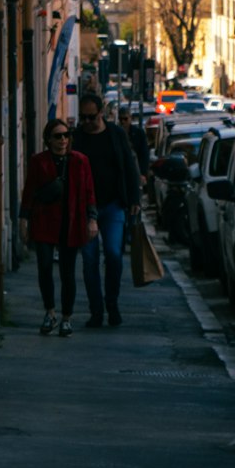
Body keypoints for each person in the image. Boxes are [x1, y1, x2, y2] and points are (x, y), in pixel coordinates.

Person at [19, 118, 98, 338]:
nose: (63, 140)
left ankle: (66, 317)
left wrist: (92, 219)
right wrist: (23, 219)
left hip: (70, 223)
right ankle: (50, 312)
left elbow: (90, 192)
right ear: (48, 139)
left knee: (67, 272)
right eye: (57, 136)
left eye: (66, 135)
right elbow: (29, 191)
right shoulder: (39, 161)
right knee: (44, 267)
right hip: (44, 221)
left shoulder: (80, 161)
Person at [73, 91, 141, 327]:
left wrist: (134, 198)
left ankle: (112, 303)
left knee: (113, 254)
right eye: (83, 118)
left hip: (113, 204)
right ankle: (96, 310)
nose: (87, 123)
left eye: (91, 117)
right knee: (90, 260)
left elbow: (129, 165)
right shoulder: (77, 137)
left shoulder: (116, 134)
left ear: (101, 113)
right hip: (85, 209)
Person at [118, 105, 150, 182]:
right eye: (120, 119)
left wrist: (142, 173)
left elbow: (144, 154)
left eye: (125, 119)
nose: (123, 122)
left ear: (130, 118)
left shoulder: (139, 133)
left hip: (135, 171)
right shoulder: (115, 133)